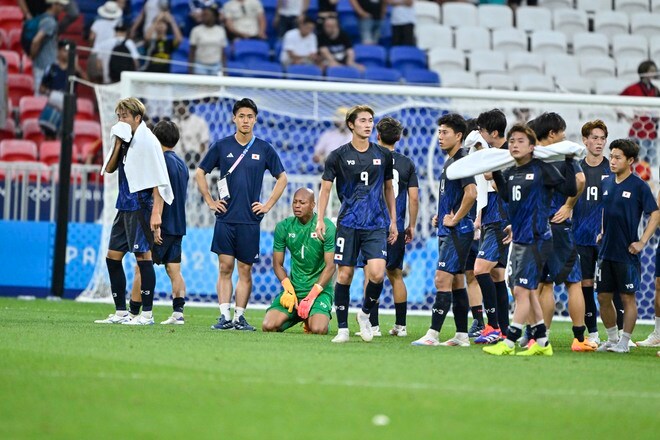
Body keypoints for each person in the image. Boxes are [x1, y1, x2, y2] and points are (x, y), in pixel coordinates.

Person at [484, 124, 577, 356]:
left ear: (532, 147)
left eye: (520, 141)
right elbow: (506, 195)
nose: (514, 144)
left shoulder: (542, 169)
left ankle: (510, 341)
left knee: (521, 291)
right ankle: (543, 344)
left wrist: (567, 162)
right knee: (528, 291)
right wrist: (495, 170)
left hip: (538, 238)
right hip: (520, 239)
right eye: (512, 140)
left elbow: (571, 187)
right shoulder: (511, 171)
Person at [196, 98, 287, 331]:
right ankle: (224, 316)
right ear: (234, 118)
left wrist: (267, 205)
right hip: (225, 217)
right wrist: (209, 200)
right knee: (225, 267)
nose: (245, 120)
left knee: (245, 270)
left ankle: (239, 317)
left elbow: (282, 178)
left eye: (250, 116)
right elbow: (200, 171)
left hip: (249, 219)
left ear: (255, 119)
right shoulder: (221, 145)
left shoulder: (264, 148)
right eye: (241, 116)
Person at [315, 104, 398, 343]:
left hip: (375, 223)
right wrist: (320, 219)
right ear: (351, 124)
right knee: (345, 275)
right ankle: (342, 328)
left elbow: (389, 188)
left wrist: (393, 221)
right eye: (362, 120)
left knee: (377, 274)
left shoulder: (383, 155)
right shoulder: (338, 155)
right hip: (349, 223)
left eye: (370, 120)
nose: (368, 124)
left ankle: (364, 315)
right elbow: (326, 188)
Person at [95, 97, 173, 325]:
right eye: (119, 116)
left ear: (137, 118)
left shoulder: (147, 141)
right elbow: (109, 169)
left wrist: (156, 213)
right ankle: (121, 312)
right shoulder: (125, 139)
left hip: (141, 206)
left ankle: (146, 314)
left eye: (125, 116)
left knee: (143, 258)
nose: (121, 120)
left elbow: (159, 179)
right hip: (124, 206)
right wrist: (118, 143)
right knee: (112, 257)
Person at [528, 112, 596, 352]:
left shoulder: (532, 157)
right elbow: (580, 181)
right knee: (573, 281)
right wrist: (568, 206)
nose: (565, 137)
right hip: (559, 225)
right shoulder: (564, 154)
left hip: (537, 225)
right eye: (562, 132)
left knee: (544, 284)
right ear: (552, 134)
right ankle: (579, 339)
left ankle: (540, 338)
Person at [412, 113, 476, 347]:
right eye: (439, 132)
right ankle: (461, 335)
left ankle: (433, 334)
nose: (440, 137)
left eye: (445, 132)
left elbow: (472, 193)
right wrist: (444, 214)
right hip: (453, 230)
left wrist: (455, 218)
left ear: (459, 136)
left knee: (442, 279)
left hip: (458, 231)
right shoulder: (452, 160)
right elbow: (461, 194)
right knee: (458, 281)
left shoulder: (462, 161)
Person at [357, 116, 419, 337]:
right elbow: (413, 198)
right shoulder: (407, 163)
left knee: (370, 273)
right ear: (399, 138)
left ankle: (372, 326)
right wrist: (411, 225)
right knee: (395, 274)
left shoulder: (370, 158)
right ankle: (401, 327)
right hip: (397, 226)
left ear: (378, 135)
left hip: (372, 225)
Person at [596, 139, 660, 353]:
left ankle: (625, 342)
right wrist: (602, 231)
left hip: (627, 252)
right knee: (603, 296)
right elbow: (607, 211)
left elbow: (655, 213)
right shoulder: (606, 182)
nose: (612, 161)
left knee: (627, 297)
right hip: (605, 251)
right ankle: (613, 339)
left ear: (630, 160)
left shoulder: (639, 186)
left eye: (617, 158)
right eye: (611, 156)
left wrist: (642, 242)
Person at [129, 120, 189, 324]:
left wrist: (156, 222)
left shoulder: (160, 161)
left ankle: (135, 312)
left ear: (155, 138)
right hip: (179, 225)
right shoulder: (182, 164)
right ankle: (178, 313)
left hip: (160, 224)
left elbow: (160, 194)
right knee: (174, 270)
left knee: (141, 266)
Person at [262, 188, 336, 334]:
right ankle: (300, 314)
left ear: (313, 205)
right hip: (295, 290)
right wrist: (288, 290)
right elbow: (277, 264)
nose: (297, 205)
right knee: (268, 326)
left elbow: (331, 266)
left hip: (319, 291)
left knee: (318, 329)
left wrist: (311, 296)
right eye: (295, 202)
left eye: (302, 202)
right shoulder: (284, 227)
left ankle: (310, 317)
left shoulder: (326, 227)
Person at [472, 109, 511, 345]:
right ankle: (503, 330)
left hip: (500, 220)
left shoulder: (505, 155)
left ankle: (492, 326)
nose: (479, 135)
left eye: (482, 131)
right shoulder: (494, 152)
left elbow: (492, 179)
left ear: (494, 133)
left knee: (479, 269)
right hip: (490, 217)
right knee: (496, 275)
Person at [572, 120, 611, 345]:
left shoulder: (612, 167)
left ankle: (618, 336)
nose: (599, 142)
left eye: (602, 138)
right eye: (594, 138)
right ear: (585, 140)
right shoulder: (577, 169)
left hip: (606, 238)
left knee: (610, 288)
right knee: (585, 285)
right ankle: (593, 334)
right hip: (581, 236)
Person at [38, 40, 86, 139]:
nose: (67, 54)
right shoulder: (52, 68)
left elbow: (87, 82)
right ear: (59, 51)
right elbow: (41, 88)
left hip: (69, 108)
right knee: (50, 134)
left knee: (66, 136)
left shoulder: (74, 70)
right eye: (65, 51)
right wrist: (52, 94)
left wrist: (78, 69)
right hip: (54, 107)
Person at [29, 0, 68, 93]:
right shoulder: (50, 22)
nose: (62, 8)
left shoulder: (44, 18)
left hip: (44, 65)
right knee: (41, 98)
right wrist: (32, 57)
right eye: (61, 5)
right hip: (44, 66)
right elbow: (36, 41)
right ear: (54, 5)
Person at [189, 5, 227, 75]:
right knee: (202, 85)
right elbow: (192, 52)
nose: (204, 17)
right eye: (203, 15)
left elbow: (223, 52)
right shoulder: (196, 30)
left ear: (214, 17)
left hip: (216, 65)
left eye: (206, 15)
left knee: (215, 85)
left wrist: (224, 70)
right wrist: (191, 70)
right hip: (200, 65)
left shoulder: (220, 30)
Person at [172, 100, 211, 168]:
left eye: (183, 104)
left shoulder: (199, 121)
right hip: (178, 161)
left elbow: (204, 143)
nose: (180, 107)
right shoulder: (172, 124)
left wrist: (199, 158)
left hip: (197, 160)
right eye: (177, 104)